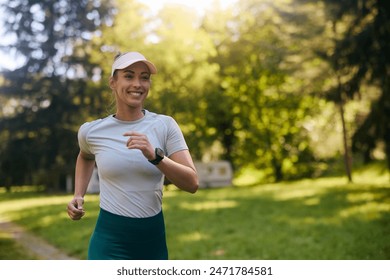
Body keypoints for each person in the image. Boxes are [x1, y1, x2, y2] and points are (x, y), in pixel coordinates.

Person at [67, 51, 199, 260]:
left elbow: (192, 183)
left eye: (144, 77)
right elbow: (85, 156)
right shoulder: (91, 131)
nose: (138, 83)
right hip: (109, 241)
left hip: (152, 242)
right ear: (113, 82)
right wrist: (78, 194)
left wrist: (156, 157)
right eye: (129, 76)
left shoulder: (165, 125)